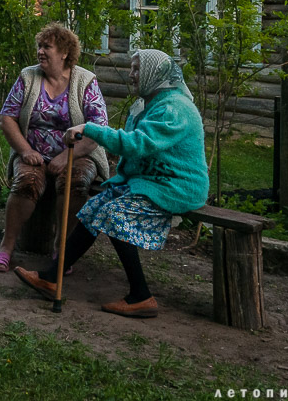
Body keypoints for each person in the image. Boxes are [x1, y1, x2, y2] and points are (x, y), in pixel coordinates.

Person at [14, 48, 209, 318]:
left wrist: (88, 129)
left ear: (155, 74)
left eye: (137, 69)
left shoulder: (175, 109)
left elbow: (136, 145)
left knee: (114, 215)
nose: (131, 75)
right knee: (95, 208)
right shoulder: (149, 104)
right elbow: (138, 151)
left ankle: (142, 296)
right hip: (150, 180)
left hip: (176, 185)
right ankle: (51, 278)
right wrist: (120, 180)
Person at [0, 22, 110, 273]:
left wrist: (67, 156)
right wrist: (25, 151)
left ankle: (62, 247)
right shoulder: (28, 77)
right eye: (39, 46)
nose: (40, 52)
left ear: (64, 52)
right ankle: (6, 247)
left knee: (76, 182)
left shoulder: (85, 81)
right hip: (33, 151)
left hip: (78, 153)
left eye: (47, 47)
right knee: (26, 182)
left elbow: (98, 128)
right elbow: (7, 118)